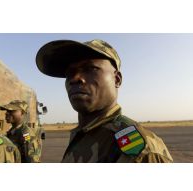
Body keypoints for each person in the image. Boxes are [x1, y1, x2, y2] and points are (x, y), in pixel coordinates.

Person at [36, 39, 173, 163]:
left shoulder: (138, 149)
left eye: (90, 69)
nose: (75, 78)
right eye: (69, 73)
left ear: (117, 79)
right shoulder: (83, 135)